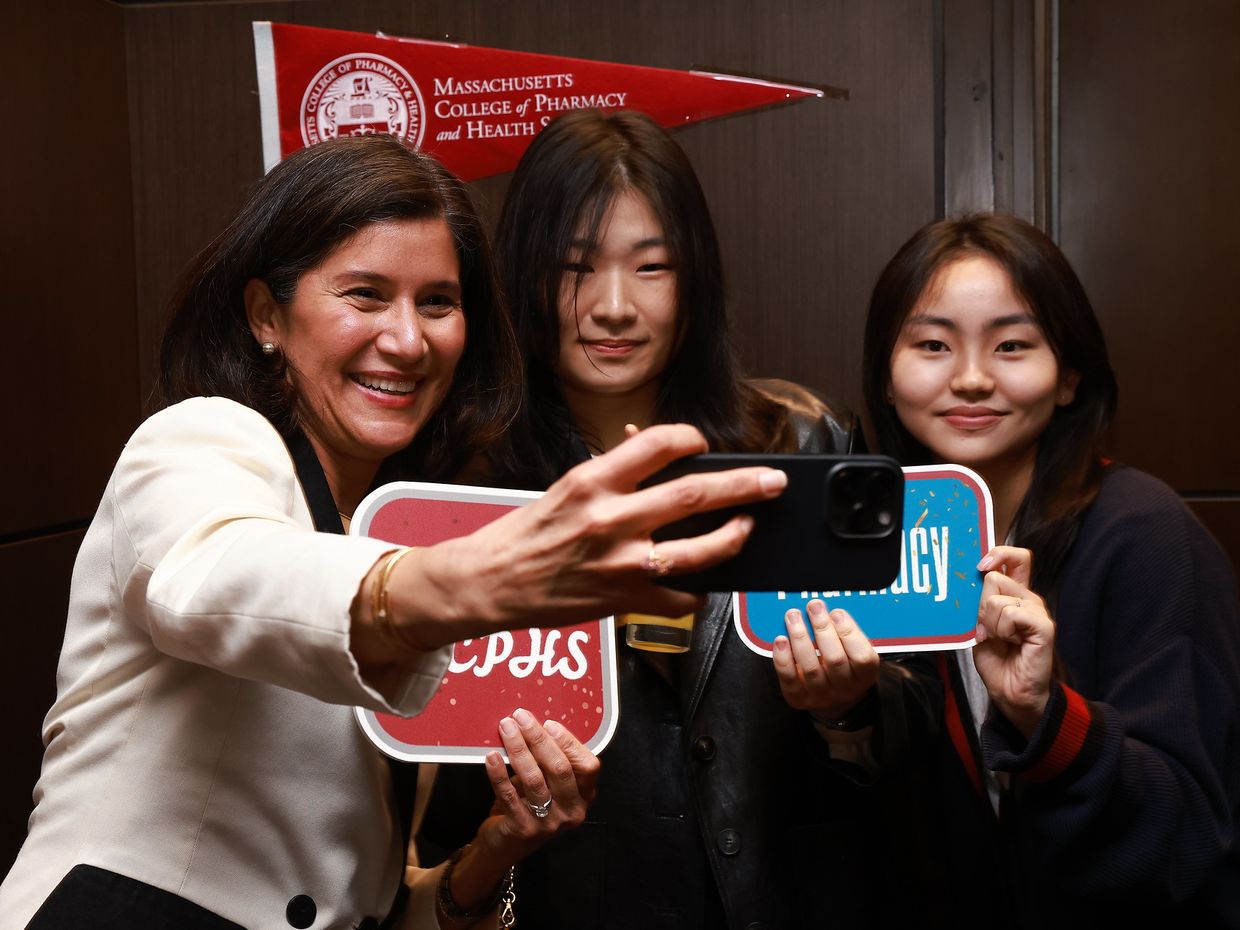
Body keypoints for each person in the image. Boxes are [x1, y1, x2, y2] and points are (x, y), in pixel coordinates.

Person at [0, 134, 792, 930]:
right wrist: (470, 583)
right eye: (366, 295)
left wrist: (493, 853)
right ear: (266, 314)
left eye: (438, 303)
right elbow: (217, 580)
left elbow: (363, 904)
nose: (409, 340)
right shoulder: (203, 441)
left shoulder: (397, 518)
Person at [418, 109, 942, 929]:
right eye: (574, 268)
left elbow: (913, 699)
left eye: (652, 267)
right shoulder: (467, 487)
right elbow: (434, 759)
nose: (615, 307)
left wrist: (848, 710)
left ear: (694, 281)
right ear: (523, 278)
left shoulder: (800, 443)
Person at [861, 212, 1240, 927]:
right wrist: (841, 715)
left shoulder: (1146, 536)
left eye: (1012, 345)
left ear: (1068, 376)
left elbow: (1190, 837)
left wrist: (1046, 714)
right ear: (885, 374)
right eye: (933, 344)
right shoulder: (890, 548)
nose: (971, 379)